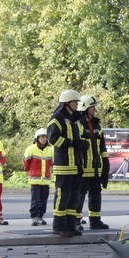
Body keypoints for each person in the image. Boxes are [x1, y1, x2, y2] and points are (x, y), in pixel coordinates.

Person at [47, 89, 87, 237]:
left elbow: (79, 137)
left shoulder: (75, 119)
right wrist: (73, 143)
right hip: (64, 166)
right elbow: (53, 139)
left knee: (73, 198)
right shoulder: (57, 118)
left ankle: (70, 225)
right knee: (62, 197)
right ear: (67, 103)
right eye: (75, 102)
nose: (77, 105)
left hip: (76, 166)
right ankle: (58, 226)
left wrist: (82, 143)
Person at [76, 95, 111, 230]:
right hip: (83, 168)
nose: (94, 109)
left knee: (96, 195)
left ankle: (95, 221)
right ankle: (76, 221)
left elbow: (102, 147)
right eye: (92, 107)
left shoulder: (96, 124)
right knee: (79, 195)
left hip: (96, 168)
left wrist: (105, 164)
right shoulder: (78, 123)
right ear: (85, 108)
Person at [23, 127, 53, 226]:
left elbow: (53, 163)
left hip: (46, 180)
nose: (44, 139)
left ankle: (40, 216)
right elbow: (26, 163)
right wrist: (31, 172)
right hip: (35, 180)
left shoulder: (50, 150)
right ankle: (34, 217)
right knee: (35, 200)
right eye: (41, 137)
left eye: (45, 137)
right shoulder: (31, 149)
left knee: (43, 200)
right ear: (37, 138)